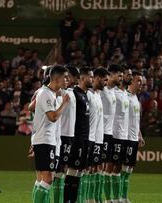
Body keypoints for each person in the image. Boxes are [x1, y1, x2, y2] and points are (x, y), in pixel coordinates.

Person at [30, 65, 70, 203]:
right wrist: (64, 104)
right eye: (65, 78)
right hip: (45, 140)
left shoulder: (50, 93)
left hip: (48, 140)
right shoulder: (45, 93)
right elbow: (52, 117)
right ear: (57, 79)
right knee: (47, 179)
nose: (67, 80)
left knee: (43, 179)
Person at [64, 67, 92, 203]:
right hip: (77, 138)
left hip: (85, 138)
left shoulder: (85, 94)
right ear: (82, 78)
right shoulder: (74, 93)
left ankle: (72, 200)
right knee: (72, 169)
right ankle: (67, 200)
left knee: (79, 171)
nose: (91, 79)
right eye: (90, 77)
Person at [52, 65, 78, 203]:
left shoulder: (72, 92)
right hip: (61, 135)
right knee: (58, 171)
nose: (67, 79)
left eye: (68, 77)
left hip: (70, 136)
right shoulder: (58, 92)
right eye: (65, 77)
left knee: (63, 171)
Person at [100, 64, 123, 203]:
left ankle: (107, 199)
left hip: (110, 134)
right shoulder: (102, 91)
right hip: (100, 133)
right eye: (118, 75)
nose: (120, 78)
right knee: (98, 168)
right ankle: (94, 198)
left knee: (105, 168)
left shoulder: (113, 92)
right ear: (111, 75)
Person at [86, 68, 109, 203]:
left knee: (97, 167)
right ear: (98, 78)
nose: (106, 83)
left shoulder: (98, 95)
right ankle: (87, 198)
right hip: (89, 138)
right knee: (87, 169)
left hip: (98, 139)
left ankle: (94, 197)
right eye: (105, 80)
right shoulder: (88, 95)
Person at [122, 71, 145, 202]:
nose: (141, 84)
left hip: (134, 138)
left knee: (129, 169)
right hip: (126, 138)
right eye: (138, 81)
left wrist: (139, 135)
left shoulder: (137, 98)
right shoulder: (125, 96)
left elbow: (136, 121)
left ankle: (124, 197)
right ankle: (119, 196)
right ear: (131, 82)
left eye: (141, 81)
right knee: (123, 169)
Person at [111, 66, 132, 203]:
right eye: (127, 75)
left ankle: (119, 197)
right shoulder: (114, 92)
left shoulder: (125, 94)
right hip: (115, 135)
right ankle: (112, 198)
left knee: (119, 167)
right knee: (111, 167)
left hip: (124, 136)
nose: (129, 77)